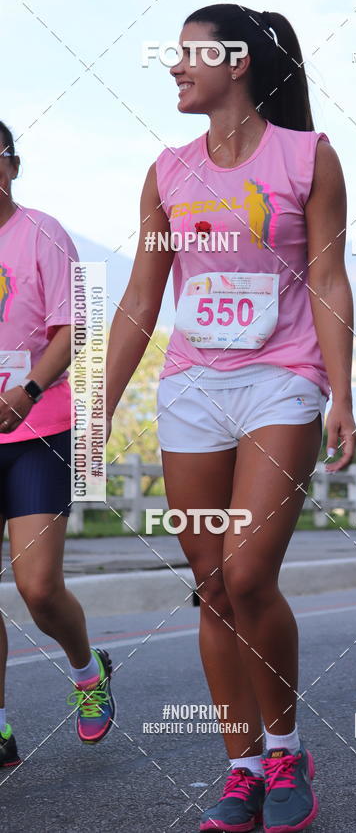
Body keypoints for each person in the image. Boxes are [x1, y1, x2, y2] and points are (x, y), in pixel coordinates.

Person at [105, 5, 356, 832]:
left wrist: (343, 394)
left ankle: (286, 748)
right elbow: (143, 300)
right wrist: (98, 408)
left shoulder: (308, 158)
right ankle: (242, 769)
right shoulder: (166, 171)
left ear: (238, 60)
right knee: (212, 588)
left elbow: (327, 280)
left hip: (280, 382)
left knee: (248, 574)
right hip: (192, 391)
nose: (175, 66)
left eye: (189, 53)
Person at [0, 121, 116, 769]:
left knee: (38, 587)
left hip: (37, 428)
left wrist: (32, 388)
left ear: (12, 166)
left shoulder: (43, 233)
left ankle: (87, 673)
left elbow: (74, 328)